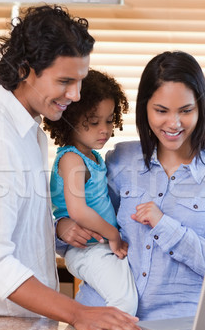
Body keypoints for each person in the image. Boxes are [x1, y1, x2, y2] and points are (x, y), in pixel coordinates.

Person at [0, 4, 143, 330]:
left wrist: (59, 227)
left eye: (79, 81)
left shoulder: (27, 127)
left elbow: (17, 224)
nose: (75, 95)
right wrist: (78, 313)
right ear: (24, 70)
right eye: (65, 81)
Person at [57, 51, 205, 321]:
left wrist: (166, 227)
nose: (173, 123)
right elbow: (89, 221)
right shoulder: (119, 160)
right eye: (161, 111)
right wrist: (61, 228)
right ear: (145, 109)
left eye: (186, 111)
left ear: (201, 108)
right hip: (99, 318)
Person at [43, 69, 138, 316]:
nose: (104, 129)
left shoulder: (91, 156)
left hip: (98, 246)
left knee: (125, 297)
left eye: (109, 120)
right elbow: (78, 211)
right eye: (94, 122)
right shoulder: (72, 159)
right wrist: (113, 234)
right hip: (87, 248)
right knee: (124, 303)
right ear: (70, 120)